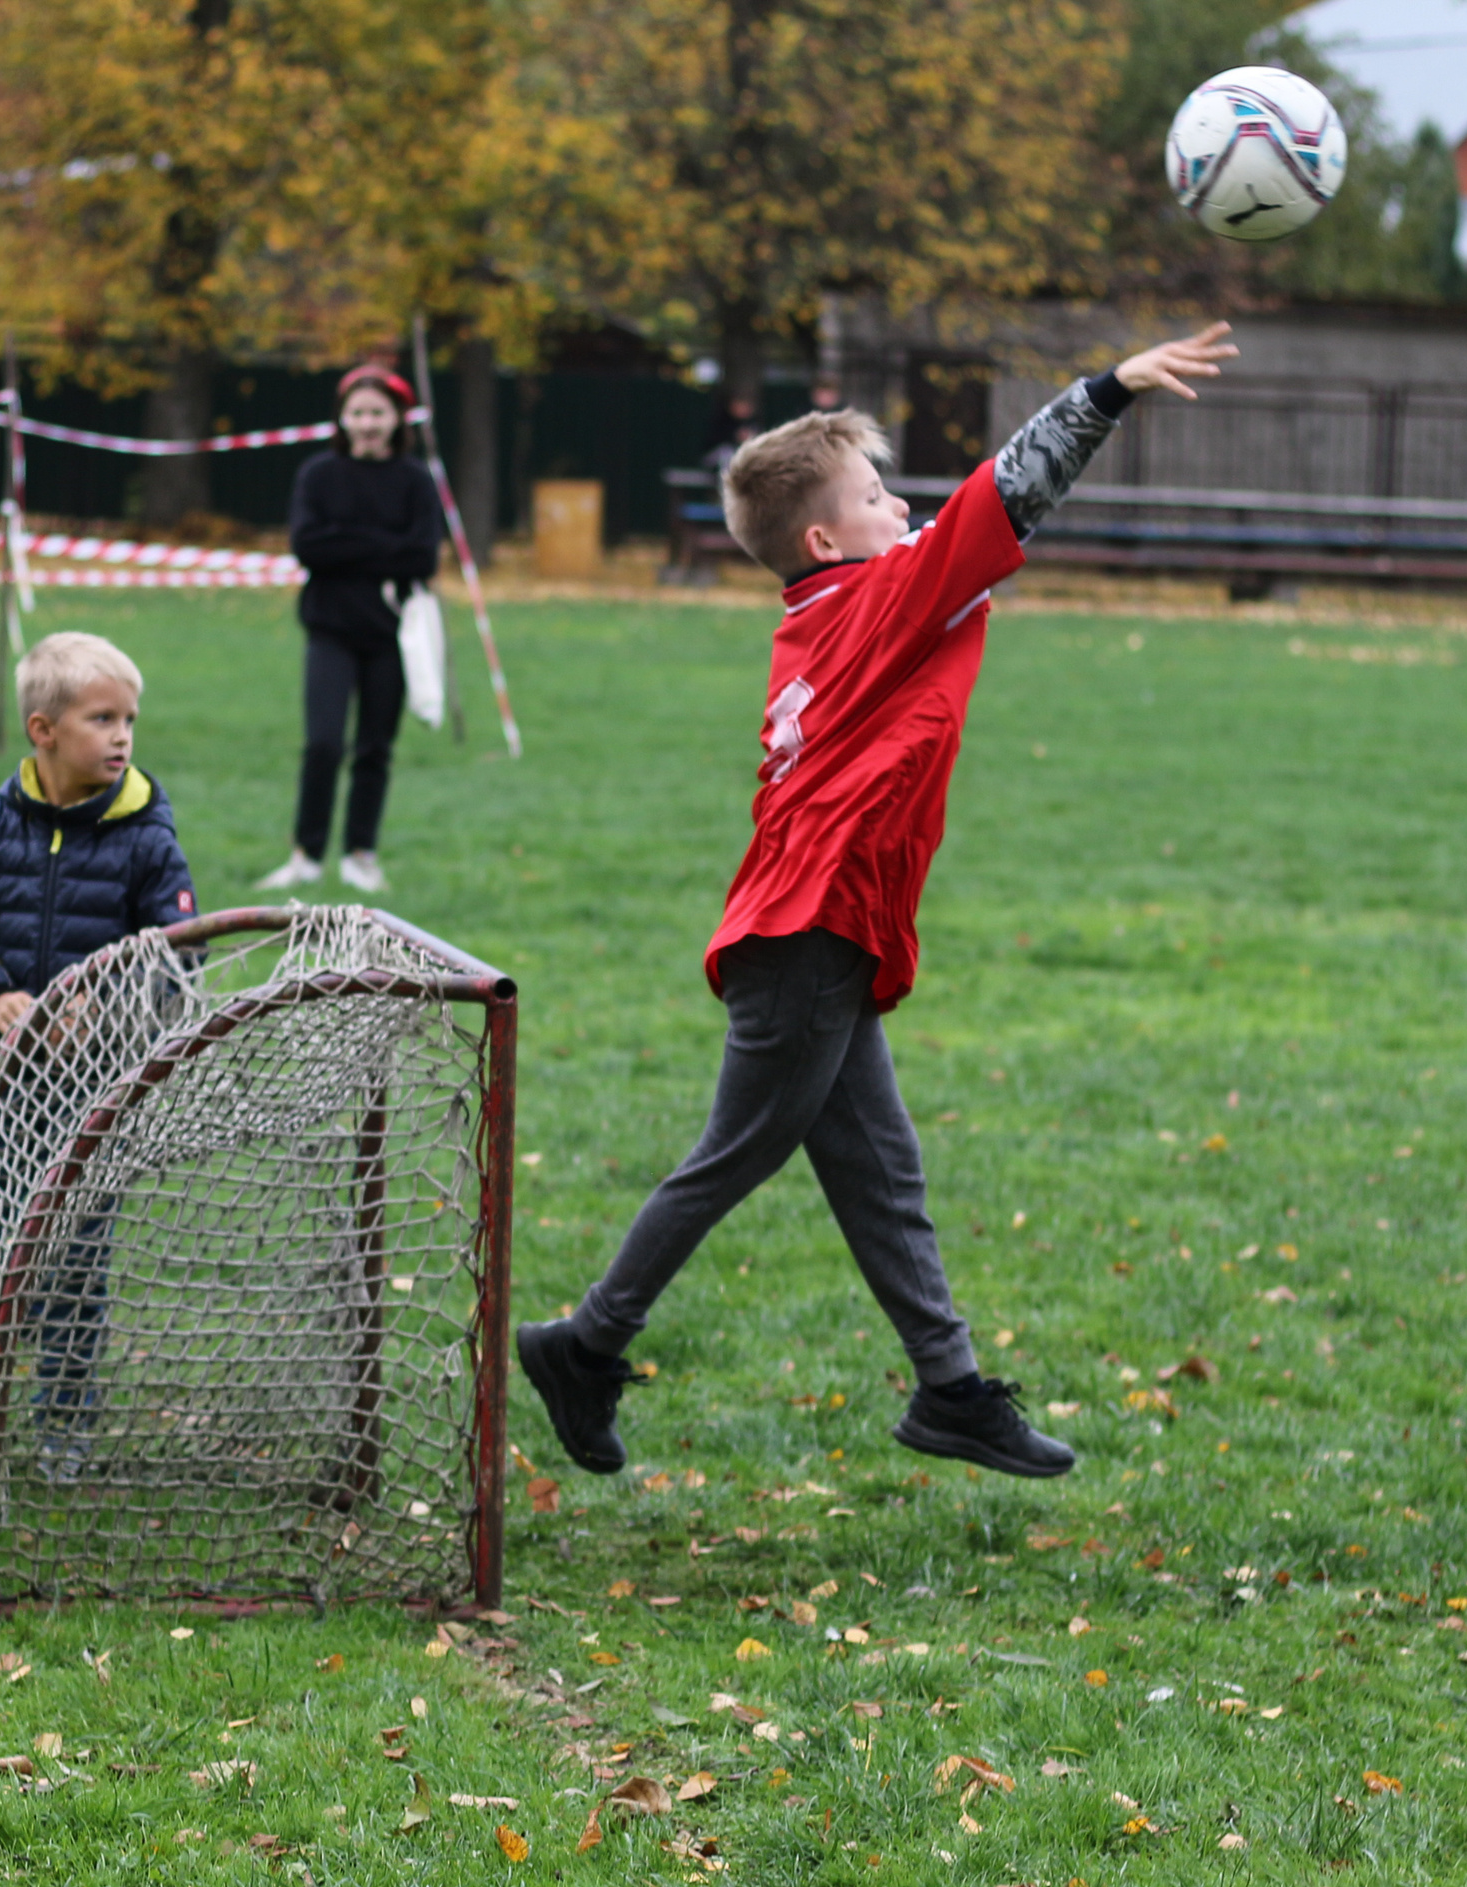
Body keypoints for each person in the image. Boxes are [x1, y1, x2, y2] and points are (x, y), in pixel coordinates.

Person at [514, 325, 1240, 1480]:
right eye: (873, 492)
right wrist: (1103, 392)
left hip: (815, 927)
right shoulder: (871, 603)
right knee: (733, 1156)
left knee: (880, 1172)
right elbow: (1000, 499)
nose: (901, 503)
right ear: (821, 537)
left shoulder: (827, 616)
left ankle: (950, 1389)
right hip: (809, 930)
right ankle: (584, 1343)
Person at [0, 631, 198, 1477]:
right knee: (4, 1244)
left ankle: (64, 1427)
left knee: (75, 1267)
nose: (121, 737)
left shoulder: (147, 838)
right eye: (100, 718)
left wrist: (104, 1005)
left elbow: (181, 958)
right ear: (43, 730)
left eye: (130, 720)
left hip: (95, 1095)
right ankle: (3, 1375)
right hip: (6, 1090)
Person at [257, 364, 443, 896]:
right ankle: (306, 855)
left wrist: (349, 545)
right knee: (323, 743)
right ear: (342, 418)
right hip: (329, 630)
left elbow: (422, 556)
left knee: (374, 748)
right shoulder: (318, 475)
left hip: (391, 637)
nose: (367, 423)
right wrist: (384, 546)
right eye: (358, 412)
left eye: (377, 413)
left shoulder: (415, 480)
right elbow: (309, 546)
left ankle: (361, 853)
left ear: (396, 419)